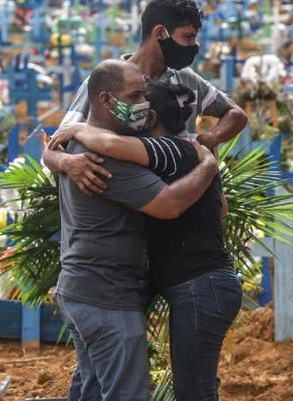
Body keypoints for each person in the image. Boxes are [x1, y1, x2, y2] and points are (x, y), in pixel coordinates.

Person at [49, 80, 242, 401]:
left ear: (151, 118)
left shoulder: (167, 150)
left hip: (200, 285)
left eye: (139, 101)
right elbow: (221, 209)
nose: (132, 109)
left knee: (194, 390)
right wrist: (208, 165)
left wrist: (79, 129)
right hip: (206, 282)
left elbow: (111, 148)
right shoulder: (191, 150)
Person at [43, 0, 248, 196]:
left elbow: (235, 114)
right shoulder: (107, 83)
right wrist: (68, 162)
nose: (193, 47)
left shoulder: (185, 79)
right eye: (187, 37)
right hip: (132, 204)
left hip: (183, 202)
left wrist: (209, 139)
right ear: (160, 33)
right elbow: (52, 149)